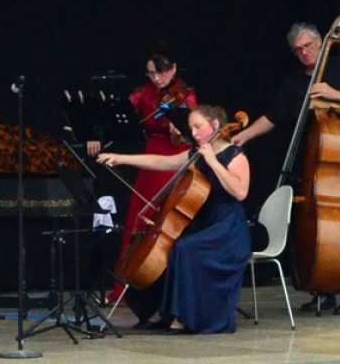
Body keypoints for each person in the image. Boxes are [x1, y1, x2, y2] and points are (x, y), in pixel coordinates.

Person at [231, 22, 340, 315]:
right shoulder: (294, 82)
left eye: (308, 46)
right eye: (297, 50)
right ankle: (321, 289)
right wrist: (244, 135)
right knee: (307, 229)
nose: (304, 53)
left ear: (322, 42)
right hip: (308, 164)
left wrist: (338, 95)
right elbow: (272, 116)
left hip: (337, 167)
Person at [98, 105, 251, 334]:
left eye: (198, 126)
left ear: (216, 125)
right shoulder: (195, 154)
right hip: (204, 223)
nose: (194, 133)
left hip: (228, 228)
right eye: (192, 128)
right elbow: (162, 162)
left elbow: (240, 192)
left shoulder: (235, 155)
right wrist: (121, 158)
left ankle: (186, 317)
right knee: (169, 248)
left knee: (186, 248)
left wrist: (213, 162)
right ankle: (166, 312)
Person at [90, 52, 198, 325]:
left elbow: (189, 135)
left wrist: (179, 131)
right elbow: (115, 117)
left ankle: (161, 284)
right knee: (136, 220)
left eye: (161, 72)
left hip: (173, 161)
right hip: (150, 159)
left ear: (173, 69)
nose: (156, 78)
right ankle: (127, 283)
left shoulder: (186, 97)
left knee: (164, 222)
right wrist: (96, 133)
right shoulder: (145, 95)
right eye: (151, 73)